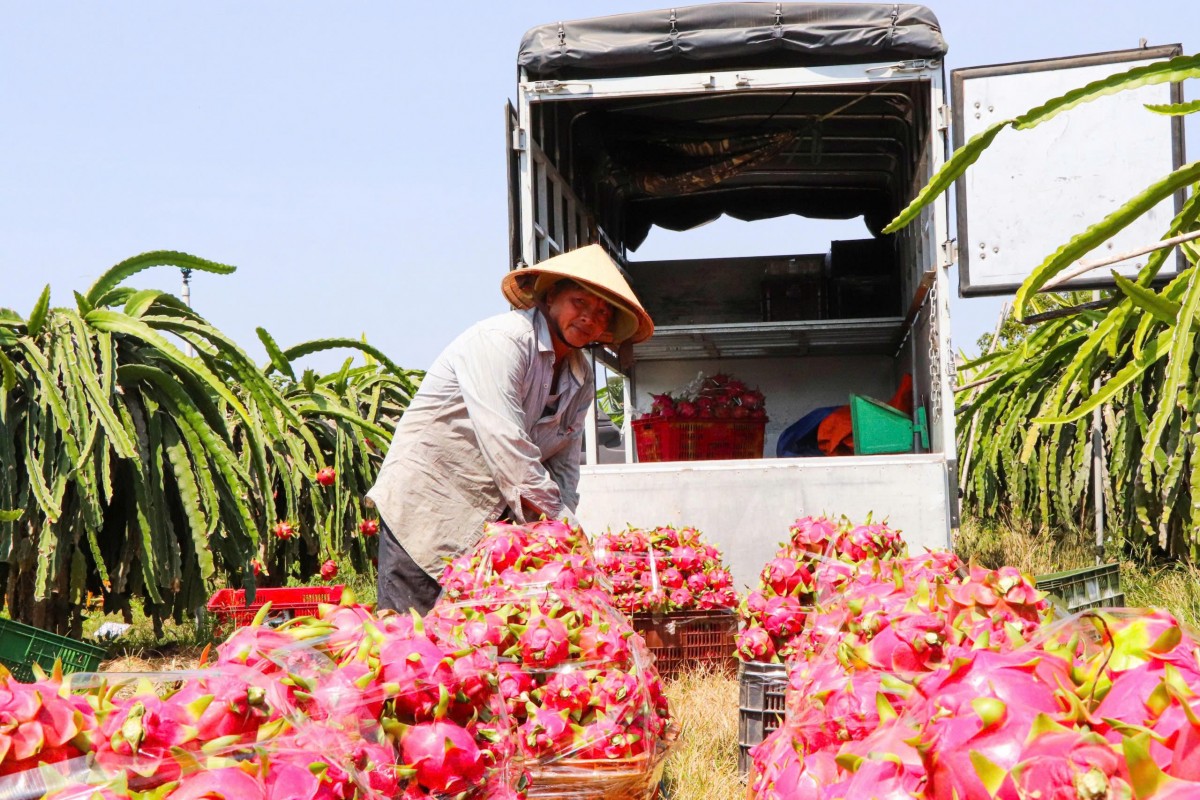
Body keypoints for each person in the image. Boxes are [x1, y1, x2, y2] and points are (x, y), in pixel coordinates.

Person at [366, 244, 654, 614]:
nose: (589, 318)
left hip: (489, 527)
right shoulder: (503, 341)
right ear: (550, 297)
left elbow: (565, 467)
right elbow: (508, 449)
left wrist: (562, 537)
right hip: (430, 510)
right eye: (579, 302)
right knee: (412, 646)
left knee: (472, 646)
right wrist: (566, 530)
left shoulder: (581, 378)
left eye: (602, 313)